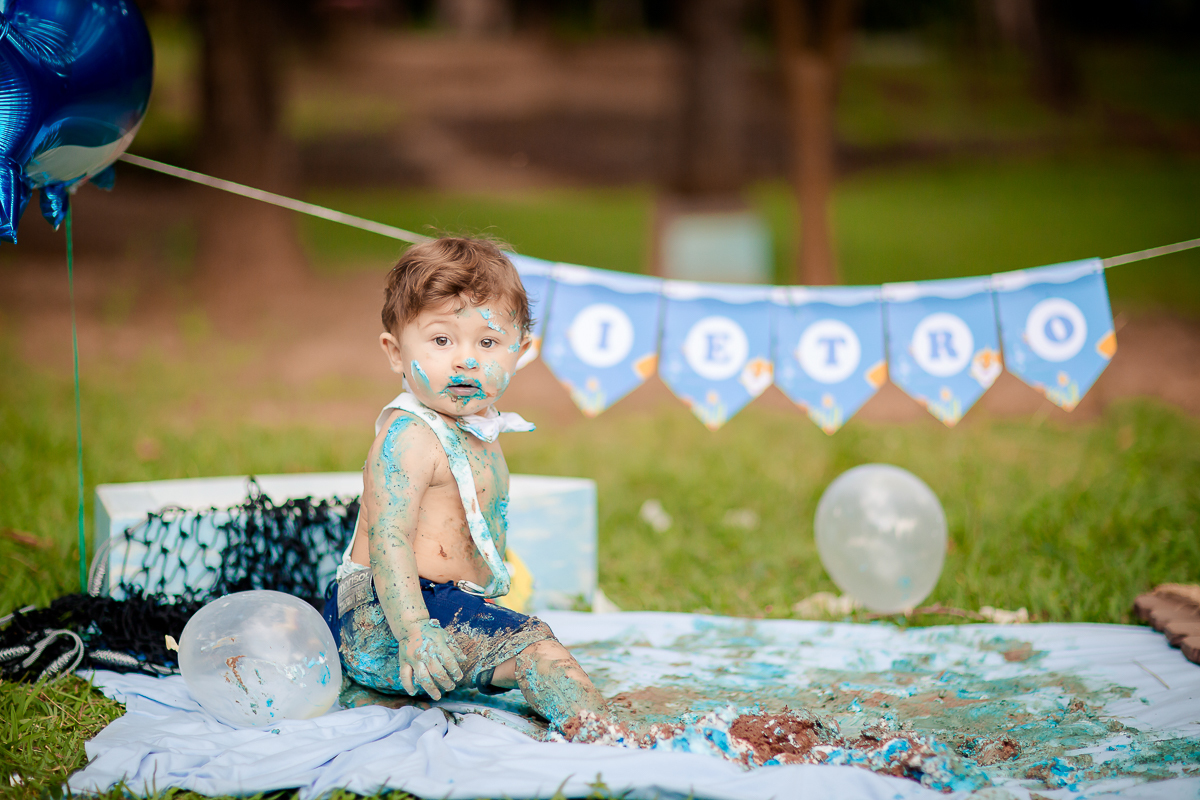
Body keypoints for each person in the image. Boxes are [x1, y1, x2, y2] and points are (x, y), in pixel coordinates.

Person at [324, 237, 625, 740]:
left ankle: (393, 690)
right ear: (396, 352)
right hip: (386, 618)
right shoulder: (410, 436)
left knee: (516, 649)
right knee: (539, 651)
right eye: (442, 341)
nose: (465, 360)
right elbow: (389, 538)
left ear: (519, 352)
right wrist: (414, 631)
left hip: (438, 609)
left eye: (487, 343)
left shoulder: (478, 427)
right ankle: (610, 738)